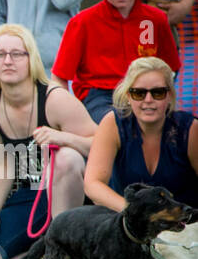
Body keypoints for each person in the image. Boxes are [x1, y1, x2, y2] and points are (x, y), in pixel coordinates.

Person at [0, 24, 98, 259]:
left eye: (17, 54)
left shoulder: (56, 99)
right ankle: (39, 255)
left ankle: (62, 251)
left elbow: (102, 145)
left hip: (74, 198)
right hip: (30, 196)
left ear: (31, 59)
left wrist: (62, 137)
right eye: (0, 54)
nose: (8, 61)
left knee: (67, 158)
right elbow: (2, 162)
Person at [51, 0, 180, 123]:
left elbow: (170, 68)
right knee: (118, 122)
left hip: (146, 93)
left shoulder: (156, 19)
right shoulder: (82, 22)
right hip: (99, 95)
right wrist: (66, 115)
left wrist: (165, 100)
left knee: (179, 126)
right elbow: (59, 76)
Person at [84, 57, 197, 210]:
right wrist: (134, 212)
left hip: (184, 224)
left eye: (158, 93)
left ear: (169, 95)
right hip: (128, 222)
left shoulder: (189, 129)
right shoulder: (113, 123)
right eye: (139, 93)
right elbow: (92, 184)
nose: (148, 100)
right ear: (128, 96)